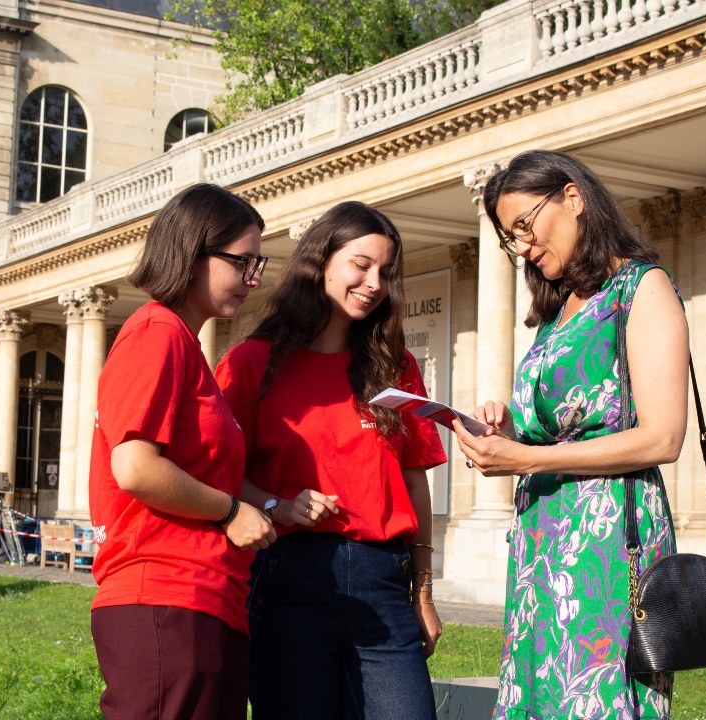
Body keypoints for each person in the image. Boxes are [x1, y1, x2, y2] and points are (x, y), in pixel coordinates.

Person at [451, 150, 689, 720]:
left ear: (573, 198)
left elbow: (663, 437)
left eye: (524, 225)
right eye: (511, 238)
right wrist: (510, 431)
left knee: (594, 696)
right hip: (542, 539)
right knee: (541, 694)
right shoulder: (559, 310)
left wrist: (525, 459)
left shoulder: (642, 288)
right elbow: (562, 428)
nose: (522, 247)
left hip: (607, 539)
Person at [215, 201, 448, 720]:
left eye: (386, 271)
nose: (375, 283)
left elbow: (414, 482)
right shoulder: (251, 363)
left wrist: (424, 592)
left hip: (385, 581)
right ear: (320, 261)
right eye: (361, 265)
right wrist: (276, 504)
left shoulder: (396, 367)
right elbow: (219, 476)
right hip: (288, 578)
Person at [88, 183, 276, 720]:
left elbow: (201, 470)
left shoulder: (184, 346)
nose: (254, 278)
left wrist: (271, 507)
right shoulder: (156, 333)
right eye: (242, 262)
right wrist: (231, 511)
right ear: (193, 254)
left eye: (258, 263)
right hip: (164, 590)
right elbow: (135, 468)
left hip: (204, 595)